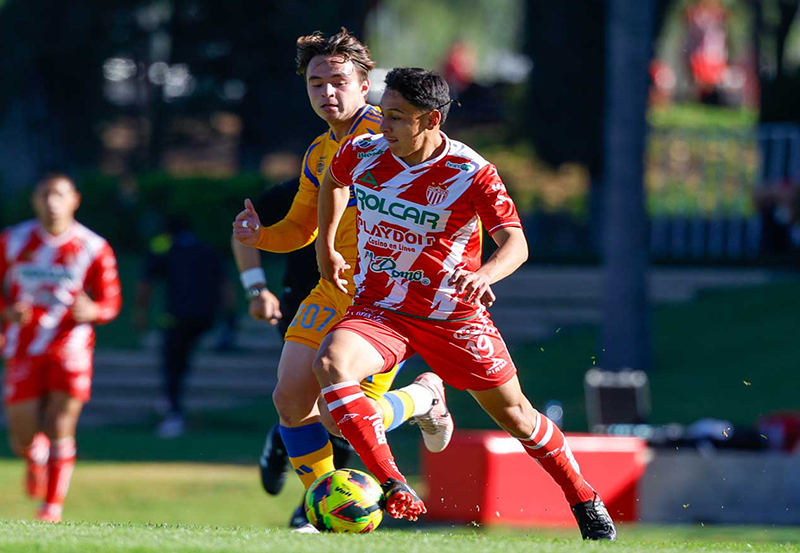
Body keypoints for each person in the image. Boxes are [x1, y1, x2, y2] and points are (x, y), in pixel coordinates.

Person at [313, 67, 617, 540]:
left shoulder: (471, 172)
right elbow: (333, 182)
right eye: (383, 113)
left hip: (450, 315)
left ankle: (583, 497)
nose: (383, 125)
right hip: (381, 308)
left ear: (431, 119)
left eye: (396, 117)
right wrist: (326, 246)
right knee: (331, 368)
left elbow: (515, 243)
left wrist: (484, 274)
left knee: (517, 416)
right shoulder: (362, 151)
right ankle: (393, 483)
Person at [232, 29, 455, 532]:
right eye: (316, 83)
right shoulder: (319, 152)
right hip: (333, 290)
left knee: (344, 418)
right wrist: (259, 235)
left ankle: (425, 397)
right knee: (291, 400)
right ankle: (324, 507)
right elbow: (300, 229)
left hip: (385, 298)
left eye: (338, 81)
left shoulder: (392, 136)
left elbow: (450, 194)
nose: (327, 92)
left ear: (363, 85)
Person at [232, 178, 355, 528]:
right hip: (305, 305)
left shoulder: (396, 182)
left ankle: (310, 510)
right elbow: (242, 230)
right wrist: (256, 288)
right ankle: (284, 437)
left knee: (343, 411)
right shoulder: (306, 184)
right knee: (310, 403)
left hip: (366, 310)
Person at [0, 173, 122, 523]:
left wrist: (93, 311)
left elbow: (111, 302)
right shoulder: (12, 241)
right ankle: (34, 456)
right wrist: (8, 312)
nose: (52, 202)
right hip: (23, 347)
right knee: (22, 437)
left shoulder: (93, 246)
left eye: (60, 195)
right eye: (45, 195)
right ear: (35, 200)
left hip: (72, 347)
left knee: (61, 424)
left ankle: (51, 508)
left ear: (75, 200)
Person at [133, 217, 232, 438]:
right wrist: (229, 317)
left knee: (172, 365)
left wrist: (140, 313)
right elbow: (225, 285)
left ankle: (173, 412)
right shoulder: (207, 250)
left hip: (176, 317)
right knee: (180, 361)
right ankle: (172, 407)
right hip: (206, 317)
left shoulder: (163, 249)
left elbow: (145, 283)